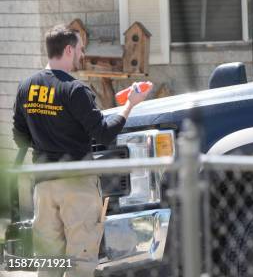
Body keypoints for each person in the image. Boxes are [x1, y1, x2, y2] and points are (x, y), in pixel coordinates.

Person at [12, 25, 153, 276]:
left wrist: (46, 140)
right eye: (80, 49)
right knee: (80, 263)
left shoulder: (26, 87)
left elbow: (20, 137)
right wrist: (130, 105)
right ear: (68, 49)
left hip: (44, 186)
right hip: (77, 185)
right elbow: (104, 133)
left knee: (48, 263)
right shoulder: (75, 90)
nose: (82, 55)